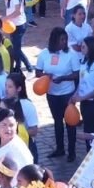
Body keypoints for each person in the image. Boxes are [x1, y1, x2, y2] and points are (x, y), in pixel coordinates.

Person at [35, 27, 80, 159]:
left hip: (67, 93)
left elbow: (76, 74)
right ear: (54, 40)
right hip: (52, 93)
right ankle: (60, 148)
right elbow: (38, 72)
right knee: (57, 121)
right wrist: (46, 75)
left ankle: (72, 151)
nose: (64, 42)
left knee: (70, 122)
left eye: (65, 39)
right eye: (61, 40)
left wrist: (63, 78)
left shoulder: (72, 54)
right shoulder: (44, 54)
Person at [71, 36, 94, 160]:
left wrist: (82, 97)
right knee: (88, 130)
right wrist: (75, 95)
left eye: (84, 46)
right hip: (85, 103)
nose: (81, 47)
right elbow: (81, 82)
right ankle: (89, 155)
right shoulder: (84, 62)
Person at [4, 0, 33, 73]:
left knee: (16, 49)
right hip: (13, 25)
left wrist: (5, 18)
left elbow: (18, 12)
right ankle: (18, 65)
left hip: (18, 25)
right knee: (16, 47)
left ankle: (28, 65)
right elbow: (7, 4)